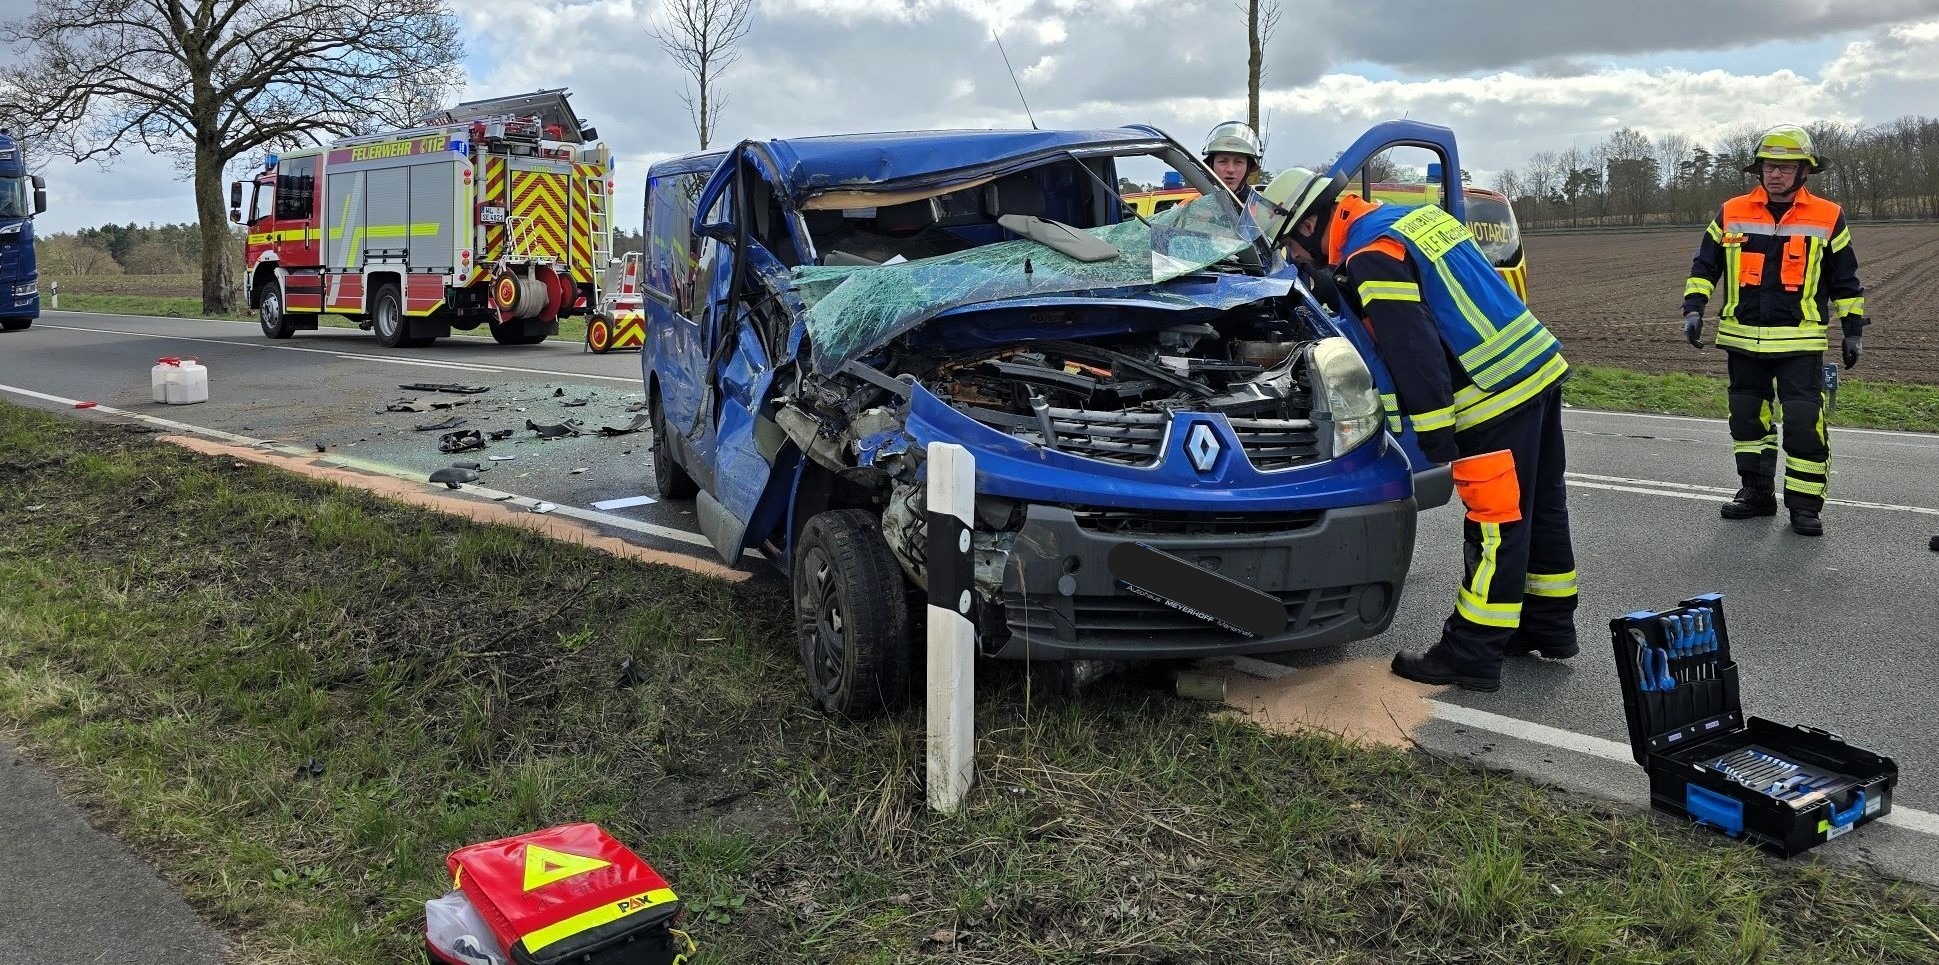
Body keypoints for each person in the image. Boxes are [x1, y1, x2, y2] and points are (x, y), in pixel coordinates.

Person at [1251, 168, 1578, 692]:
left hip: (1489, 395)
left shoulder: (1370, 256)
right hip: (1533, 367)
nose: (1294, 257)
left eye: (1291, 244)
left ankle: (1472, 652)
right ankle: (1549, 623)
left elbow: (1413, 350)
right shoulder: (1411, 219)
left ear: (1310, 224)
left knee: (1495, 523)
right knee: (1540, 507)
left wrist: (1434, 433)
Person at [1682, 125, 1868, 537]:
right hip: (1741, 339)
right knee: (1747, 421)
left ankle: (1804, 507)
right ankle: (1756, 494)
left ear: (1805, 171)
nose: (1775, 174)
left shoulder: (1828, 216)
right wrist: (1693, 308)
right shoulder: (1731, 211)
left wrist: (1853, 330)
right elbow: (1705, 266)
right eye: (1768, 166)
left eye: (1784, 167)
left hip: (1800, 342)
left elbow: (1845, 280)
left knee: (1803, 422)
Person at [1201, 121, 1263, 202]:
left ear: (1248, 167)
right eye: (1223, 161)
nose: (1230, 169)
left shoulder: (1259, 206)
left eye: (1239, 162)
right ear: (1211, 165)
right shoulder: (1194, 203)